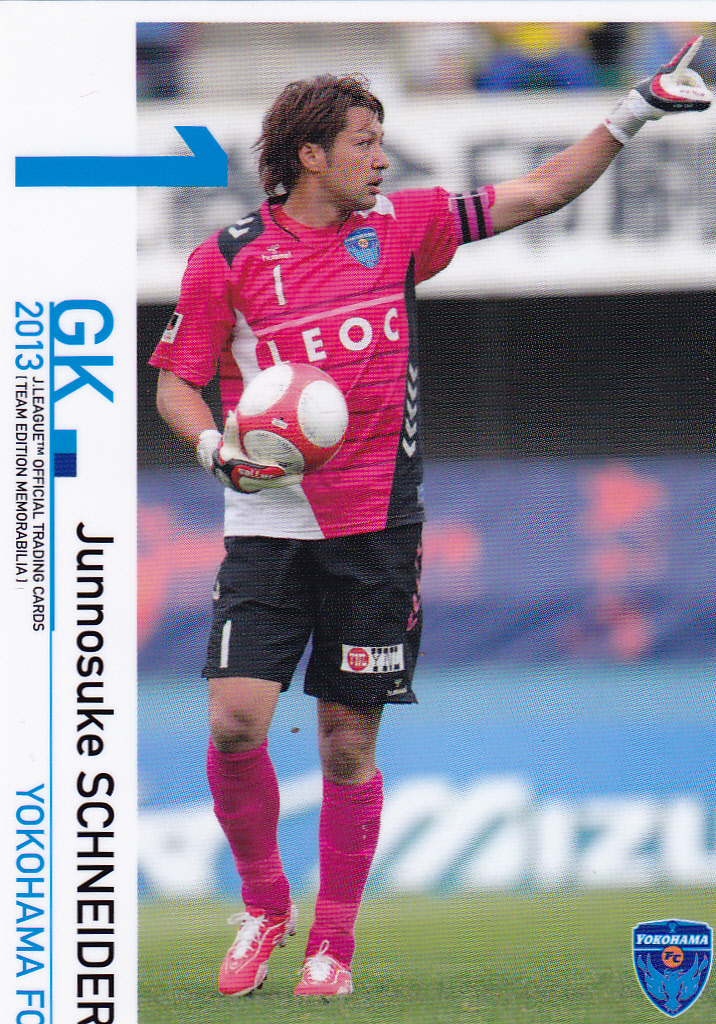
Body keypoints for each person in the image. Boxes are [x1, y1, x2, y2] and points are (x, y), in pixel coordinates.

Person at [149, 37, 711, 998]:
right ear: (311, 156)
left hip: (377, 532)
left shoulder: (403, 227)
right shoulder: (230, 258)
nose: (383, 159)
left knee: (345, 743)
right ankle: (265, 905)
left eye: (383, 141)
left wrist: (635, 110)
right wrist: (215, 452)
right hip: (268, 527)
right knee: (237, 724)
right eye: (365, 143)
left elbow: (540, 191)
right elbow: (175, 384)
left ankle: (333, 946)